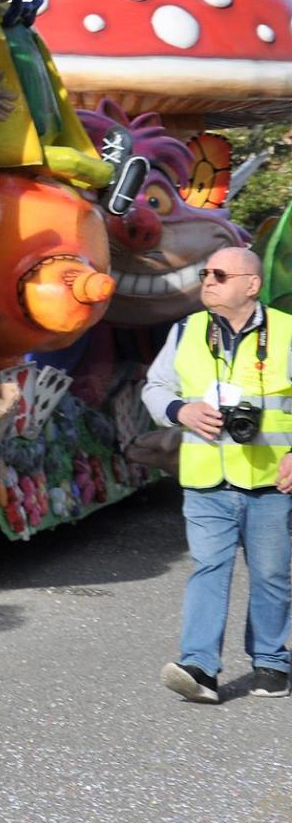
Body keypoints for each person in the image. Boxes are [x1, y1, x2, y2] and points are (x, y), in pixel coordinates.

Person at [141, 245, 292, 703]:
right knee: (208, 568)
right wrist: (179, 409)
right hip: (207, 480)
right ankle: (200, 668)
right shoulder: (186, 330)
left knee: (271, 574)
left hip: (270, 480)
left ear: (251, 284)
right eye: (205, 272)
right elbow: (155, 387)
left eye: (220, 274)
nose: (208, 280)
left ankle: (271, 662)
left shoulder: (286, 332)